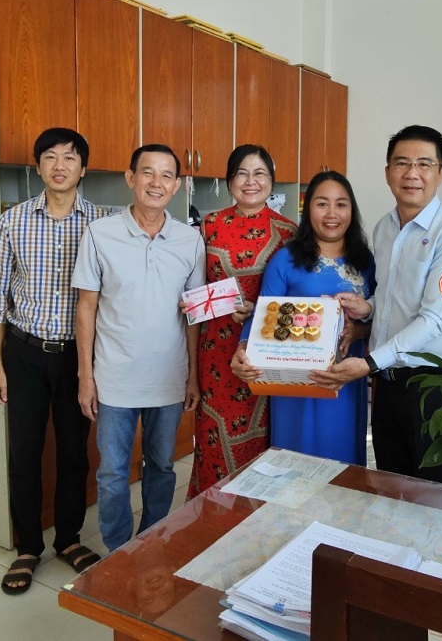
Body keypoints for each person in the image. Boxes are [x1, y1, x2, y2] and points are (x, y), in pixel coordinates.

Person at [311, 125, 442, 486]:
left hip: (434, 386)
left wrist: (370, 362)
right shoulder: (385, 228)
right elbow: (393, 297)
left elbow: (435, 318)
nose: (412, 173)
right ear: (388, 171)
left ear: (441, 173)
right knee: (389, 486)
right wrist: (367, 307)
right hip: (387, 383)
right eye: (402, 163)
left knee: (435, 496)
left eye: (424, 164)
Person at [0, 127, 108, 595]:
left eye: (69, 157)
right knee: (24, 453)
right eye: (50, 157)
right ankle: (28, 547)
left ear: (83, 168)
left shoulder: (103, 223)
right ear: (38, 167)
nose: (60, 165)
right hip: (25, 353)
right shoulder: (11, 221)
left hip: (79, 356)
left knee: (75, 452)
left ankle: (69, 538)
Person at [72, 144, 206, 553]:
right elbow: (86, 307)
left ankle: (152, 543)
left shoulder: (190, 240)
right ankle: (117, 552)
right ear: (131, 178)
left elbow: (194, 314)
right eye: (147, 172)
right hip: (113, 376)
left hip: (168, 376)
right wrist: (85, 376)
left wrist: (193, 376)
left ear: (177, 185)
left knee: (161, 466)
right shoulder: (100, 234)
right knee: (113, 473)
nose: (156, 182)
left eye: (166, 175)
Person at [231, 171, 374, 464]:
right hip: (295, 385)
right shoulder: (285, 260)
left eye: (341, 204)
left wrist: (358, 332)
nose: (332, 213)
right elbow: (263, 315)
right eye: (322, 204)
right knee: (295, 465)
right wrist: (244, 349)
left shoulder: (366, 262)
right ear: (308, 210)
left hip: (345, 381)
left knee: (343, 465)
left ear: (352, 210)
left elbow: (381, 316)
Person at [186, 145, 297, 498]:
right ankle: (211, 517)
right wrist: (218, 308)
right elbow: (192, 294)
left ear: (272, 181)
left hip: (268, 354)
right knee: (214, 440)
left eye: (259, 173)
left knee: (268, 443)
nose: (251, 182)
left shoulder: (291, 233)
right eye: (242, 174)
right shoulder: (208, 226)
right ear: (229, 180)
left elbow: (297, 297)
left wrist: (261, 312)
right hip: (215, 353)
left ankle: (259, 520)